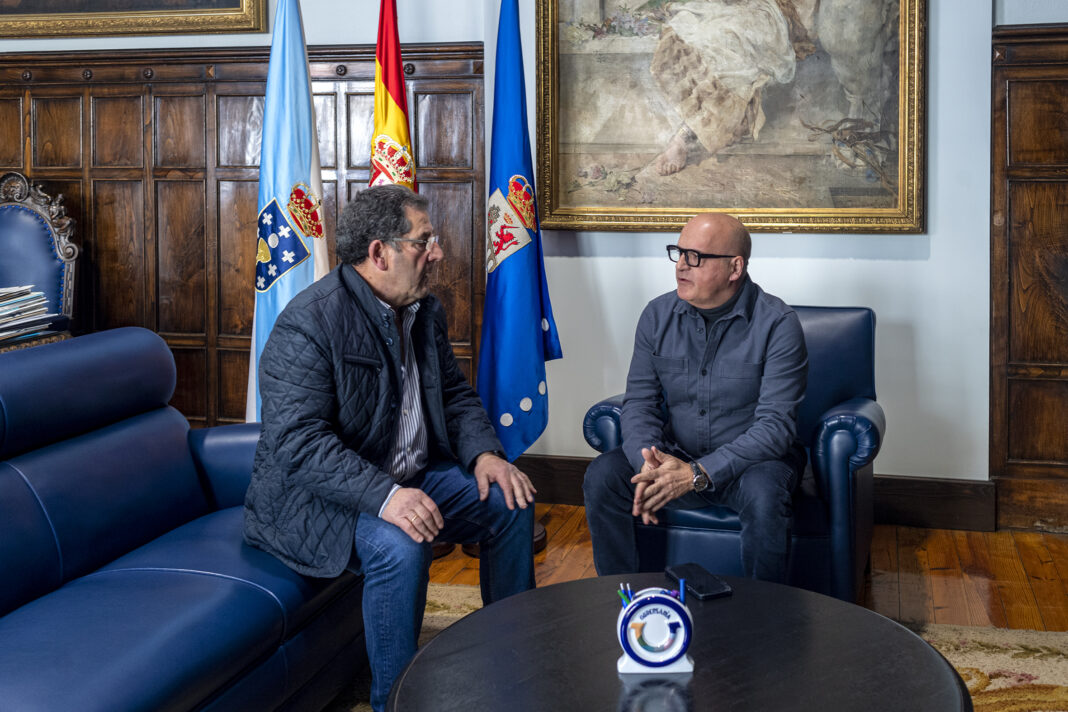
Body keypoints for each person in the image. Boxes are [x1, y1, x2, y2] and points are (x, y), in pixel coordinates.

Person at [244, 184, 536, 712]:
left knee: (508, 500)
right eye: (424, 241)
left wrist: (485, 455)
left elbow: (453, 394)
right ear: (380, 253)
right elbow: (298, 442)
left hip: (406, 477)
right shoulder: (309, 322)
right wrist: (386, 497)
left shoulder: (423, 310)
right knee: (402, 542)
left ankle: (511, 660)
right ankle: (395, 701)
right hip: (320, 500)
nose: (437, 253)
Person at [583, 212, 807, 582]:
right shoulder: (657, 315)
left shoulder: (778, 324)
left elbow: (775, 428)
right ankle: (624, 598)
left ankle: (765, 611)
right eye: (679, 252)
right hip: (675, 454)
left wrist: (697, 474)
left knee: (765, 494)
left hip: (750, 465)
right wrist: (648, 463)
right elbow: (639, 402)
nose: (681, 266)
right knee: (603, 475)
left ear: (735, 268)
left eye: (696, 257)